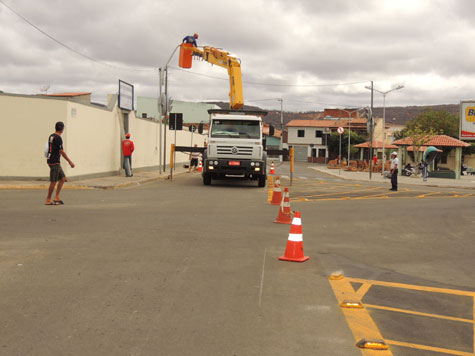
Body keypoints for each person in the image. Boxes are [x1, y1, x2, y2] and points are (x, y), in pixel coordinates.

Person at [45, 121, 75, 205]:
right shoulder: (58, 138)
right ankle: (48, 199)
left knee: (62, 178)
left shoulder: (51, 136)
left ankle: (57, 197)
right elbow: (61, 151)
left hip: (51, 160)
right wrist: (70, 162)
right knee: (53, 181)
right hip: (54, 162)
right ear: (62, 129)